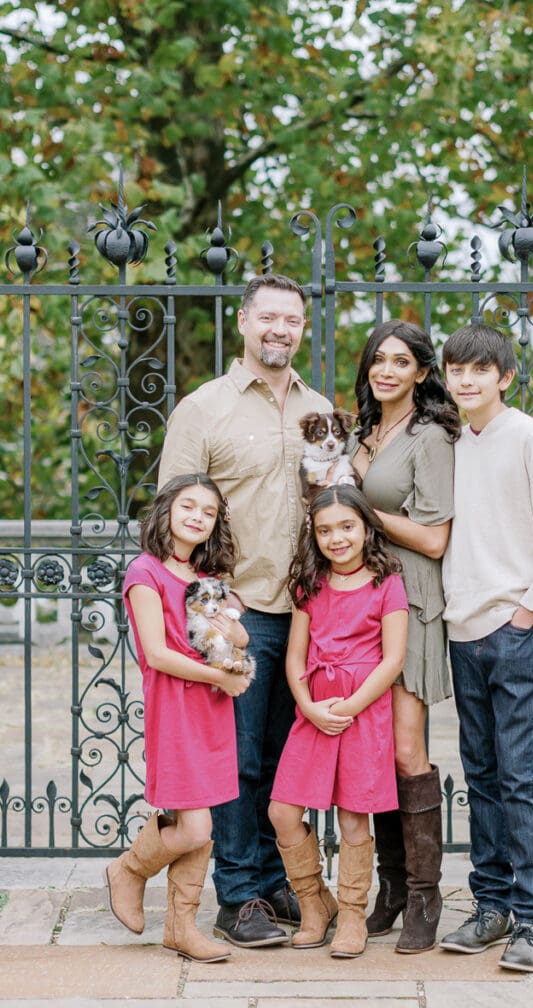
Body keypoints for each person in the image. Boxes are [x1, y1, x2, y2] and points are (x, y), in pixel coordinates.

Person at [157, 274, 331, 948]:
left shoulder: (318, 409)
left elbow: (331, 503)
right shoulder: (204, 409)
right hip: (234, 610)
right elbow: (176, 513)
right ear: (244, 323)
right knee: (236, 759)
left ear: (302, 329)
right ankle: (237, 896)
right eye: (268, 317)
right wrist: (192, 615)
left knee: (285, 759)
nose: (279, 329)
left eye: (291, 319)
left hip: (306, 613)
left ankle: (268, 875)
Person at [439, 324, 533, 973]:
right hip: (461, 631)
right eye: (455, 369)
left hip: (512, 631)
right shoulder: (449, 442)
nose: (465, 379)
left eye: (477, 369)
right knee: (482, 778)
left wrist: (524, 614)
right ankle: (490, 906)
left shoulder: (526, 436)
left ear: (503, 376)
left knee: (519, 778)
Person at [346, 319, 460, 954]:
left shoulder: (430, 438)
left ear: (421, 371)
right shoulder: (362, 431)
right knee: (373, 748)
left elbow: (436, 538)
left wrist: (363, 515)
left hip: (412, 598)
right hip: (361, 601)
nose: (386, 370)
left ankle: (424, 896)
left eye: (401, 361)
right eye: (377, 360)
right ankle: (390, 888)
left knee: (405, 751)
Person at [105, 473, 252, 963]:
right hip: (177, 707)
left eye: (208, 513)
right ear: (166, 510)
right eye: (188, 506)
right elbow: (158, 654)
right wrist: (220, 678)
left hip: (212, 709)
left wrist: (233, 635)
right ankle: (129, 869)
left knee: (202, 816)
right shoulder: (144, 572)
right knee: (194, 828)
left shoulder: (208, 583)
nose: (197, 517)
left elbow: (236, 638)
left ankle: (181, 927)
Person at [268, 484, 409, 958]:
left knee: (353, 817)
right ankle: (314, 904)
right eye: (325, 530)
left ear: (367, 527)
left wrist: (347, 709)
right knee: (282, 811)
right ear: (314, 535)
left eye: (347, 526)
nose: (337, 538)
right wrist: (309, 706)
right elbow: (294, 658)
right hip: (315, 710)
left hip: (361, 714)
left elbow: (392, 661)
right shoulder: (309, 584)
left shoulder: (387, 582)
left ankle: (352, 913)